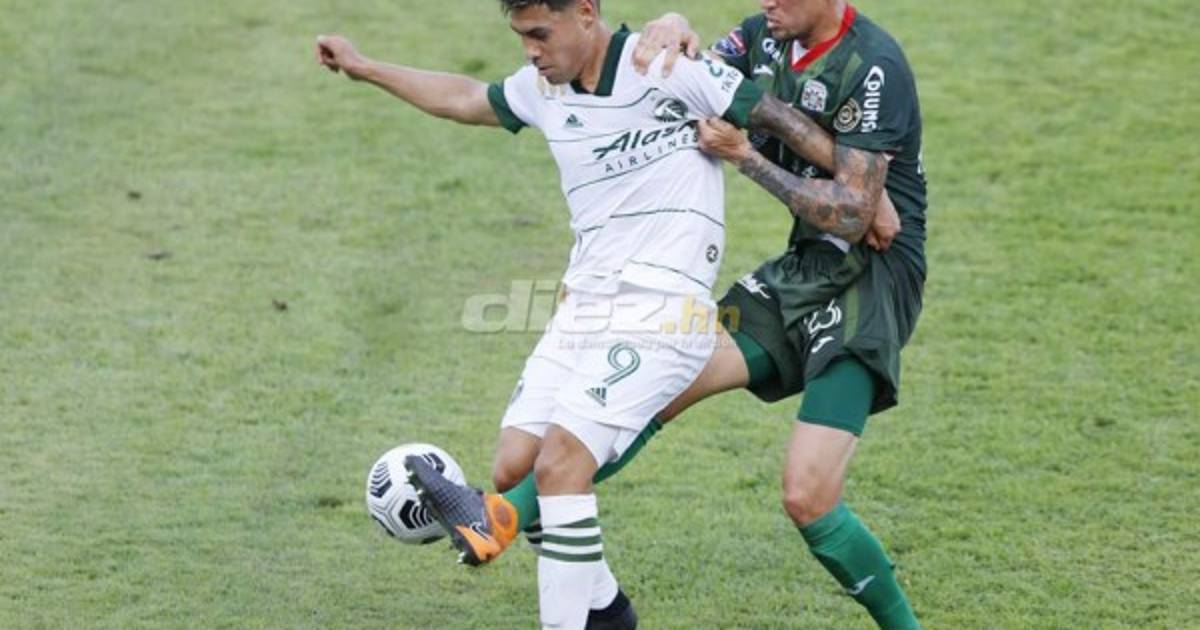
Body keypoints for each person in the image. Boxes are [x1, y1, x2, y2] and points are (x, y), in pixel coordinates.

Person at [316, 1, 879, 627]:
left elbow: (779, 119)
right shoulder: (542, 90)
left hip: (665, 311)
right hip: (583, 308)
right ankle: (608, 614)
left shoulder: (667, 67)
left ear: (585, 13)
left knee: (561, 465)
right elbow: (465, 98)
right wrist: (365, 67)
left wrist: (866, 195)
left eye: (539, 33)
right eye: (521, 37)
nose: (530, 50)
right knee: (515, 466)